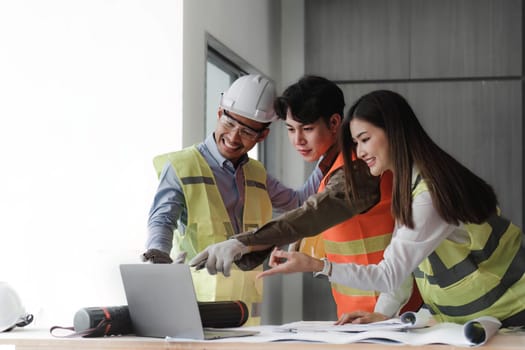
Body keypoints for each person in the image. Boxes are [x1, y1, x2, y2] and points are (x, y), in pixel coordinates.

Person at [256, 89, 525, 327]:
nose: (359, 152)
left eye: (365, 139)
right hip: (475, 319)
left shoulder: (427, 196)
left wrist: (317, 265)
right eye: (356, 142)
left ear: (394, 133)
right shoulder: (409, 187)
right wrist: (382, 314)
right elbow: (403, 270)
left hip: (511, 311)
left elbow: (389, 274)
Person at [190, 77, 421, 321]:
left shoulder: (359, 166)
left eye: (307, 129)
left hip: (393, 312)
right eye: (291, 129)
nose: (298, 140)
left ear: (333, 123)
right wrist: (249, 247)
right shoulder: (330, 166)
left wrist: (242, 242)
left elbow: (315, 212)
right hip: (360, 314)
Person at [141, 74, 326, 326]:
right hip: (196, 309)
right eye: (229, 123)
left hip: (244, 313)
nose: (234, 136)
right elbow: (162, 219)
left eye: (248, 131)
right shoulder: (182, 166)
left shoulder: (256, 173)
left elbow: (299, 201)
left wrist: (329, 156)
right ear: (219, 113)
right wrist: (158, 255)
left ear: (262, 136)